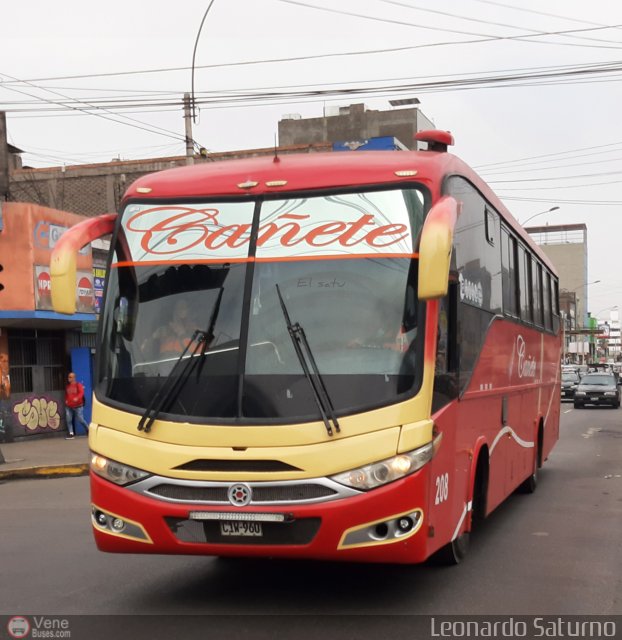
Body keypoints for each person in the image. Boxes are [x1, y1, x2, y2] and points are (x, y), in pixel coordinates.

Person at [65, 372, 89, 439]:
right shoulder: (67, 386)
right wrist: (66, 401)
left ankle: (88, 429)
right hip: (69, 406)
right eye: (68, 377)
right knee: (68, 419)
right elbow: (67, 395)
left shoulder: (78, 385)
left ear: (74, 378)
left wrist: (77, 398)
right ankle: (71, 433)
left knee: (81, 419)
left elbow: (81, 393)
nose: (69, 378)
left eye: (70, 377)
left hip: (78, 406)